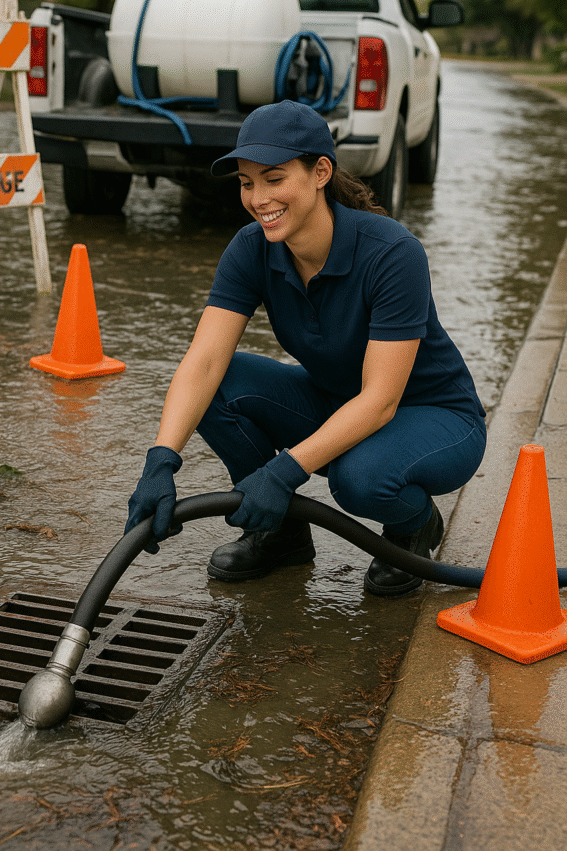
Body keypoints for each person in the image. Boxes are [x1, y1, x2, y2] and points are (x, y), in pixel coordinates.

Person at [125, 101, 487, 596]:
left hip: (434, 415)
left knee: (359, 479)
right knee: (220, 386)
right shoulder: (252, 248)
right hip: (337, 398)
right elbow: (204, 362)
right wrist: (160, 460)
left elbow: (381, 399)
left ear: (321, 173)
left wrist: (282, 472)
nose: (258, 199)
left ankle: (413, 526)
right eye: (246, 182)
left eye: (274, 179)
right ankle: (278, 532)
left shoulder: (393, 253)